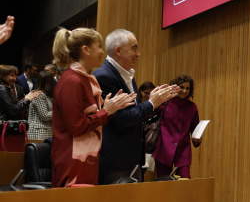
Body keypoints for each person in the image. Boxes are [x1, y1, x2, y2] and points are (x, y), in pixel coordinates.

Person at [51, 27, 137, 187]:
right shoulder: (72, 80)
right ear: (86, 50)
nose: (102, 52)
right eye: (98, 46)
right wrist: (107, 111)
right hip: (73, 159)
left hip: (85, 157)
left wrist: (112, 109)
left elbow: (93, 121)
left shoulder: (84, 78)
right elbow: (76, 127)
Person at [93, 29, 179, 184]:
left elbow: (135, 113)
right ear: (118, 50)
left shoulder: (127, 75)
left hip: (132, 159)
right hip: (116, 160)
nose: (138, 54)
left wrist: (157, 103)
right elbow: (121, 119)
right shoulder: (104, 76)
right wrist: (151, 103)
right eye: (134, 48)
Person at [152, 74, 201, 179]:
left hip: (183, 151)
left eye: (187, 88)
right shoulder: (165, 102)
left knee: (185, 182)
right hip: (164, 149)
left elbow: (195, 128)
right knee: (163, 183)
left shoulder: (192, 107)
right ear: (175, 87)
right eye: (182, 87)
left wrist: (197, 138)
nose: (184, 91)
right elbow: (149, 114)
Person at [27, 70, 54, 140]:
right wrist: (58, 111)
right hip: (38, 131)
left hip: (44, 130)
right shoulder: (39, 95)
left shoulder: (44, 95)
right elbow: (45, 116)